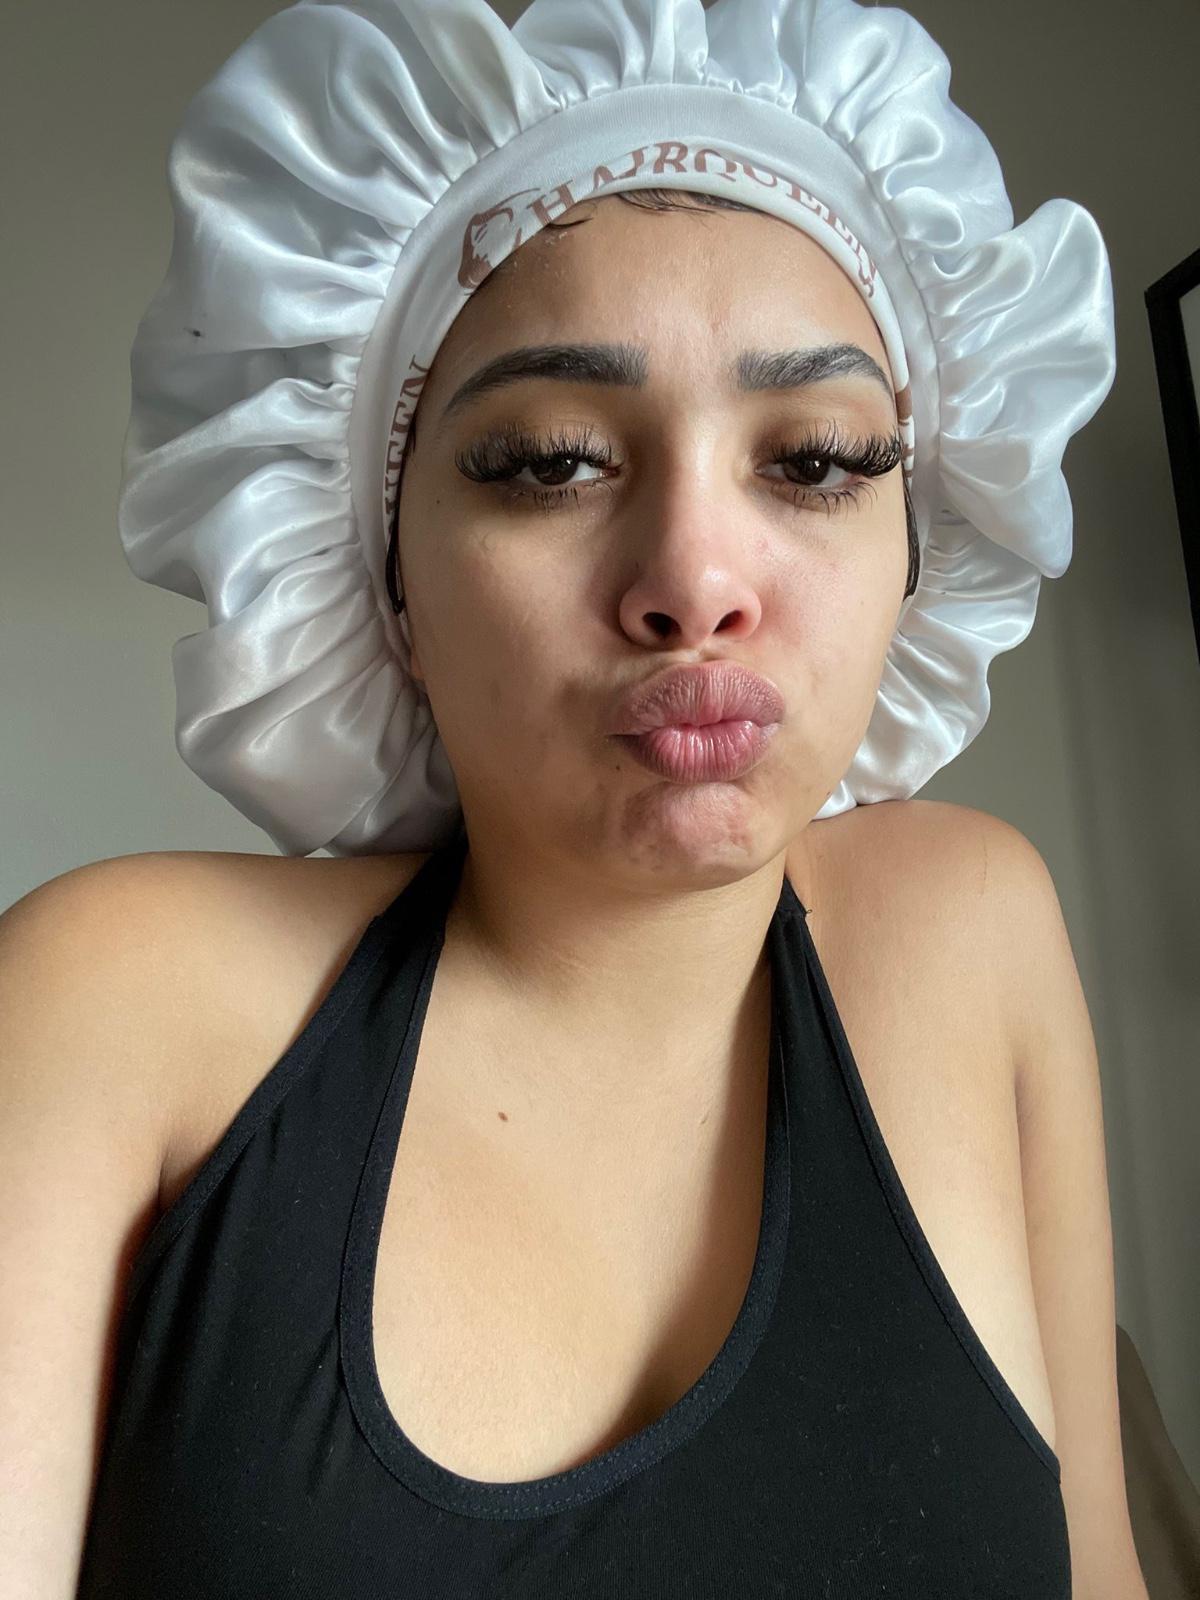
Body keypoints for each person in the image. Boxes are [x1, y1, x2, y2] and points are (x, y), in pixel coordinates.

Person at [1, 0, 1147, 1595]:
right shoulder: (114, 1001)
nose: (696, 577)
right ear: (382, 574)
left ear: (917, 542)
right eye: (549, 460)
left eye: (817, 459)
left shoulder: (974, 933)